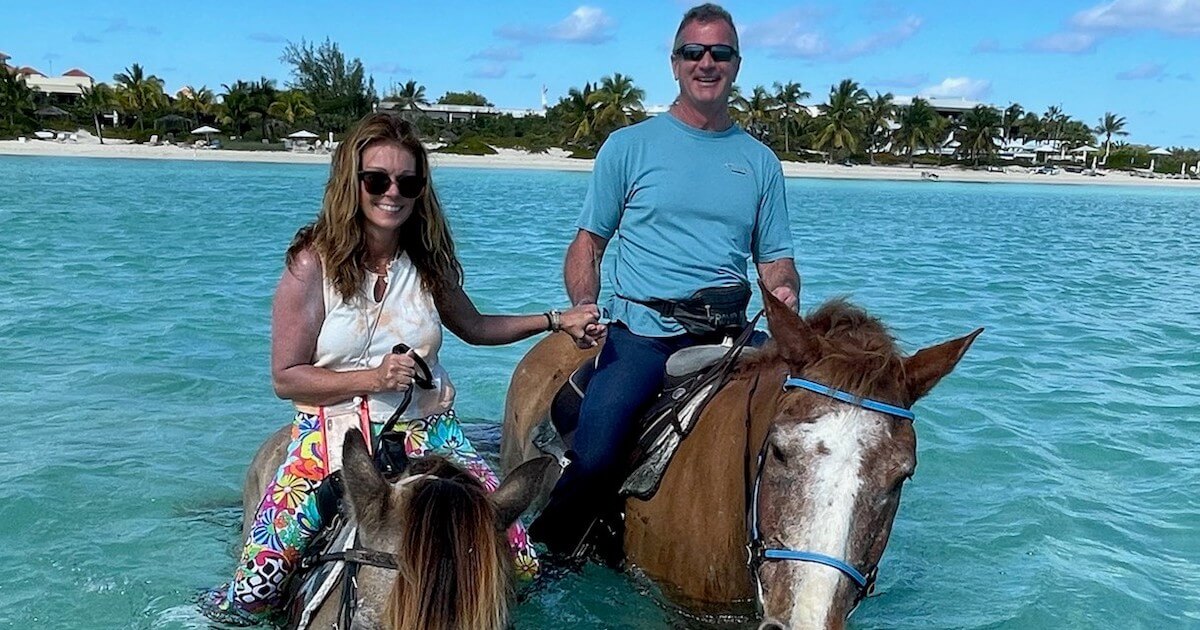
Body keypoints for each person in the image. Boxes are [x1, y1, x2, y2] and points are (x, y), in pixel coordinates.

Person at [202, 112, 600, 624]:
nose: (393, 192)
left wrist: (555, 319)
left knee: (521, 558)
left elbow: (476, 327)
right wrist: (373, 379)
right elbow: (286, 376)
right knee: (258, 581)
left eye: (408, 181)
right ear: (354, 182)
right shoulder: (312, 264)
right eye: (378, 179)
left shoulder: (426, 263)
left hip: (430, 431)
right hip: (331, 433)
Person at [528, 3, 800, 557]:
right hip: (644, 336)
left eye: (719, 53)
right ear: (674, 63)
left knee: (814, 421)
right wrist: (584, 302)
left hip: (732, 335)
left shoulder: (760, 162)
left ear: (737, 65)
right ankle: (541, 559)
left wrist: (785, 293)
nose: (706, 62)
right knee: (599, 457)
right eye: (693, 52)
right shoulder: (629, 147)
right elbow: (589, 243)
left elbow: (774, 262)